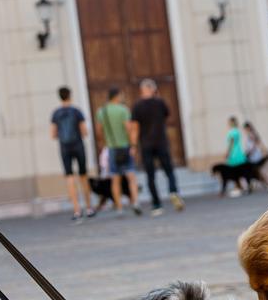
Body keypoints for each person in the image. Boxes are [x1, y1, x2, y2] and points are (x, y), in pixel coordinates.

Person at [131, 77, 184, 213]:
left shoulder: (137, 106)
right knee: (169, 171)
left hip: (146, 144)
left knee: (150, 175)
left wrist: (133, 146)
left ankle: (156, 204)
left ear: (142, 90)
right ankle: (173, 191)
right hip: (161, 142)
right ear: (153, 89)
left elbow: (135, 128)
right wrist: (157, 97)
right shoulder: (160, 102)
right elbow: (166, 115)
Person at [94, 86, 141, 215]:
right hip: (124, 146)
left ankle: (119, 208)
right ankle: (135, 202)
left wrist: (104, 143)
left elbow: (98, 131)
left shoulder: (101, 112)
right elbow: (128, 128)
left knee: (115, 179)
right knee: (131, 176)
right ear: (117, 96)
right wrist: (133, 145)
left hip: (111, 147)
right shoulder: (123, 110)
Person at [49, 86, 90, 221]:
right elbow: (84, 131)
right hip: (78, 145)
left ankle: (76, 210)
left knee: (69, 177)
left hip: (64, 147)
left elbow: (53, 134)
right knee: (83, 175)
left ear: (59, 97)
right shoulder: (76, 111)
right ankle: (88, 207)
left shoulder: (56, 113)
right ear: (70, 95)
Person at [242, 120, 268, 190]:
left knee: (258, 171)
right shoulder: (251, 134)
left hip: (254, 156)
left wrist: (249, 152)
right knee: (257, 171)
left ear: (248, 128)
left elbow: (254, 145)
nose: (245, 130)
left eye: (245, 128)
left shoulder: (251, 134)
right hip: (253, 155)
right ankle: (267, 184)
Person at [223, 116, 247, 197]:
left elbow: (231, 143)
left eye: (229, 122)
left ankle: (237, 188)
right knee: (238, 171)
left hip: (234, 153)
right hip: (238, 152)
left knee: (233, 172)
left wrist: (227, 153)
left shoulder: (232, 132)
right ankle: (240, 187)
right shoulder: (237, 131)